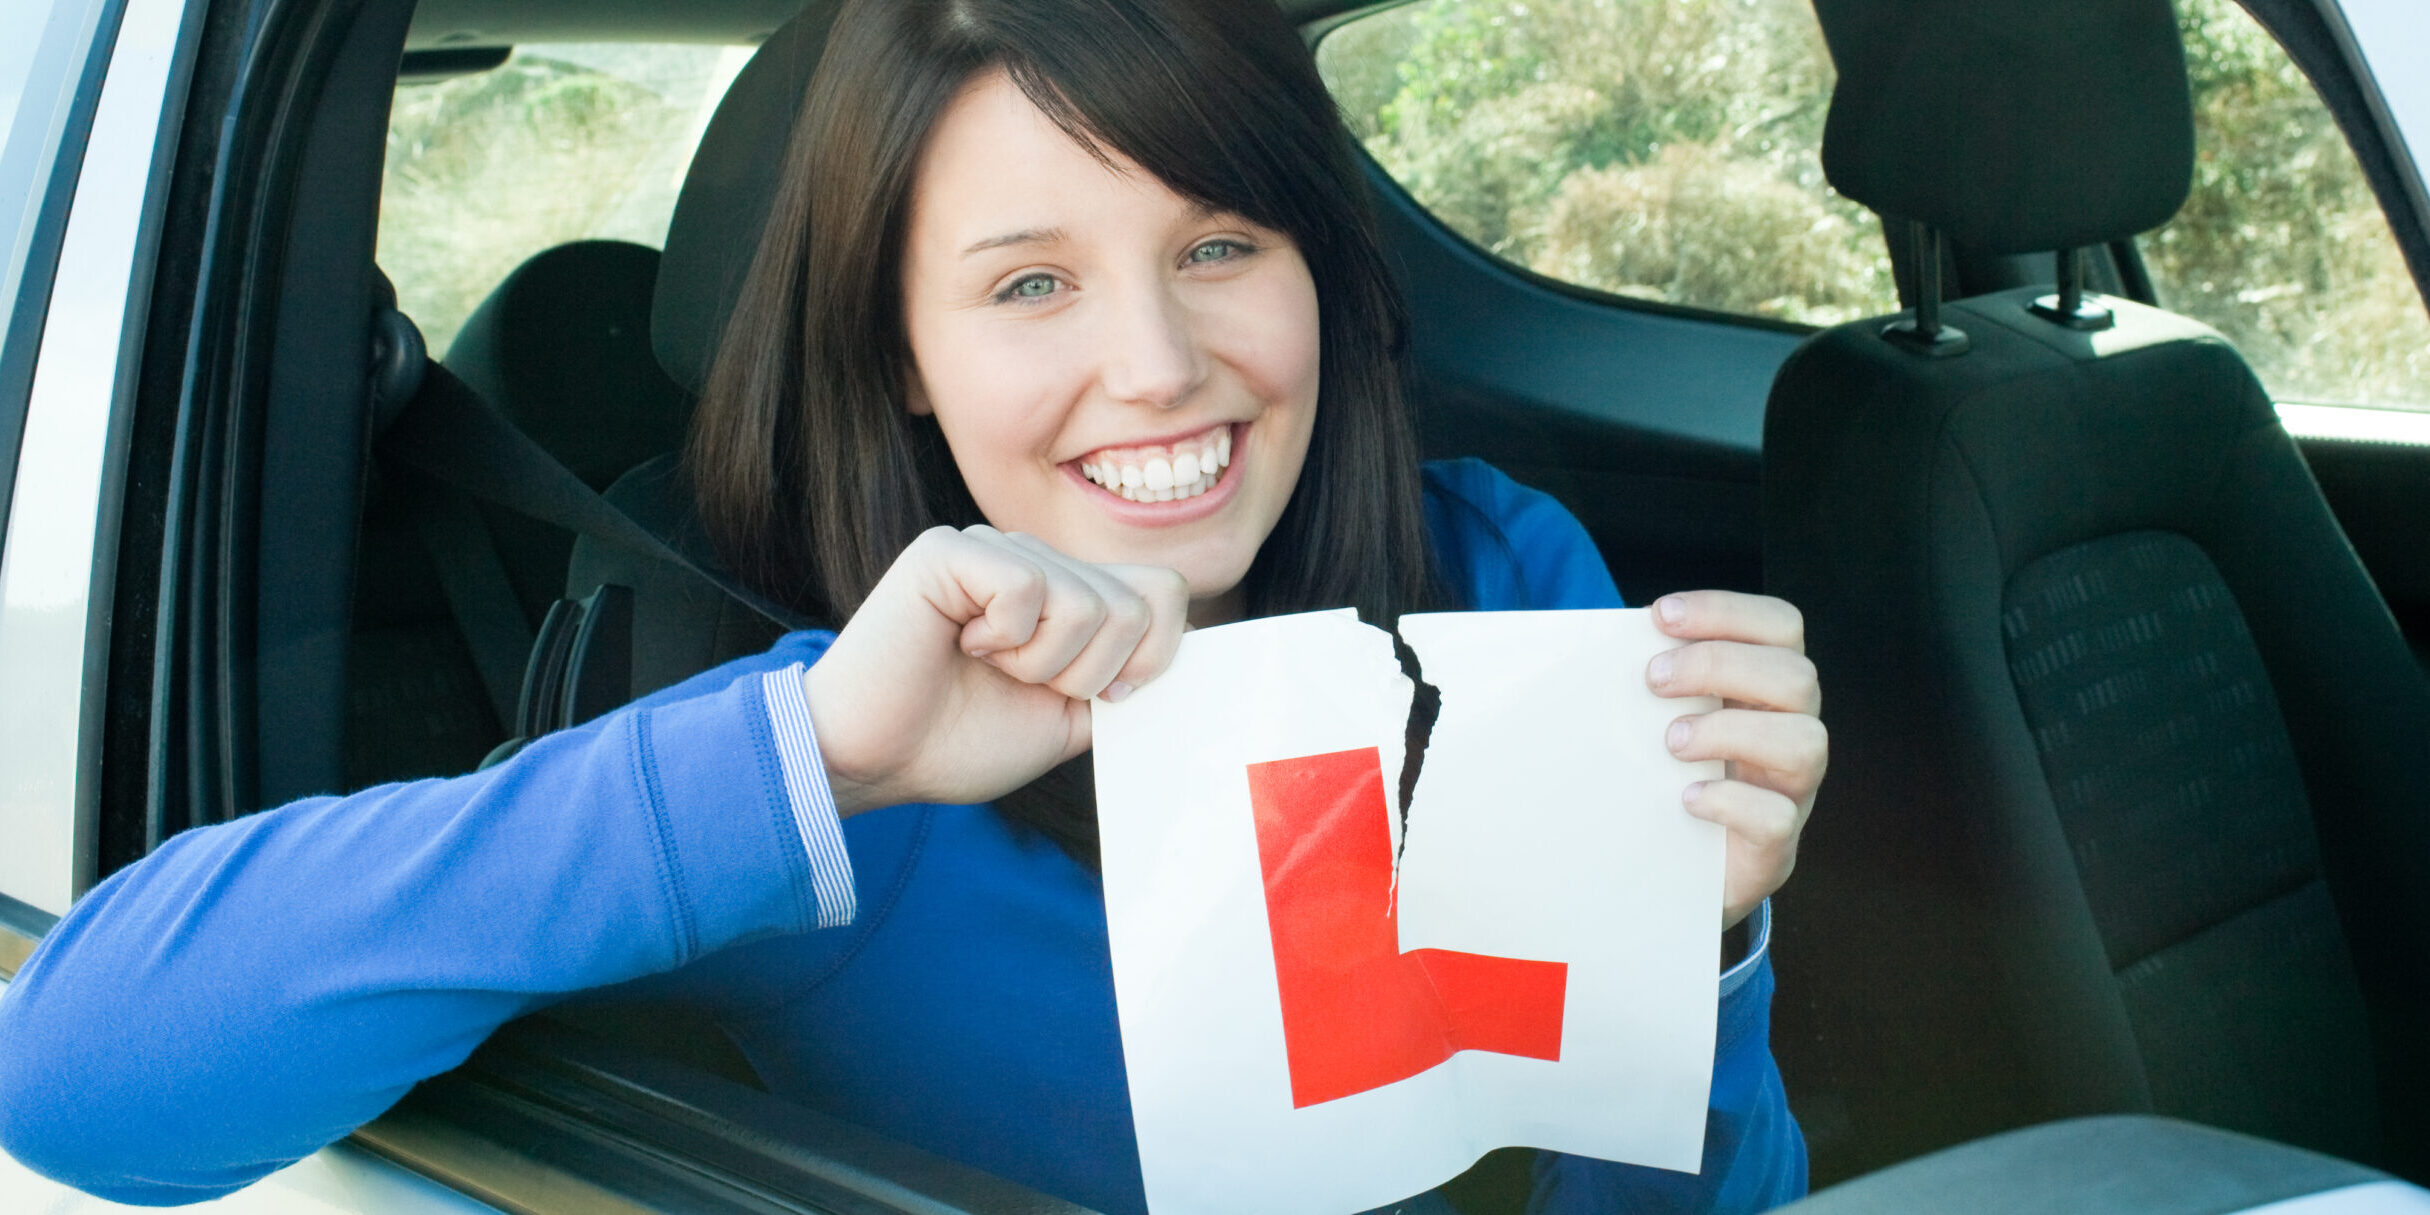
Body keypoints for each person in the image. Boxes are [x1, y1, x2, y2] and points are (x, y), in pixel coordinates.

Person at [0, 0, 1824, 1209]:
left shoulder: (1502, 579)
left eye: (1216, 248)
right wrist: (810, 759)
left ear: (1316, 274)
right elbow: (74, 1083)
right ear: (905, 363)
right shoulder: (827, 780)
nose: (1159, 365)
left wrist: (1701, 952)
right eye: (1029, 286)